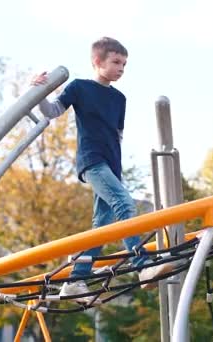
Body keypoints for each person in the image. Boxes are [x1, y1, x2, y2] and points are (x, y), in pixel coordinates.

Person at [31, 37, 173, 303]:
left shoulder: (119, 98)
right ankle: (142, 266)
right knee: (124, 203)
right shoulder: (80, 87)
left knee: (102, 226)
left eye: (124, 64)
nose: (121, 68)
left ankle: (76, 280)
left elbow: (116, 136)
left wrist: (117, 172)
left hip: (111, 164)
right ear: (97, 61)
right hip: (92, 160)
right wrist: (39, 92)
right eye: (116, 62)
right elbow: (52, 111)